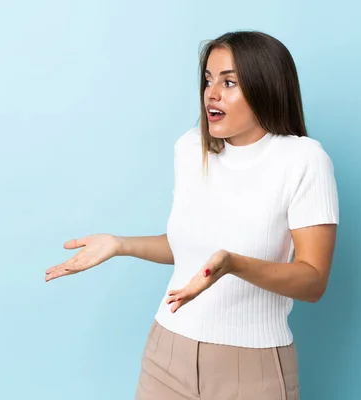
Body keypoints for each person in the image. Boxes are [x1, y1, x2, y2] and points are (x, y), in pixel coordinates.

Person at [45, 30, 339, 400]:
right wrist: (120, 244)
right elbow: (188, 247)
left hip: (251, 368)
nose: (211, 94)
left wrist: (233, 264)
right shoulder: (190, 147)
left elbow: (313, 282)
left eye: (229, 82)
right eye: (208, 80)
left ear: (265, 87)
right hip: (166, 352)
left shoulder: (303, 161)